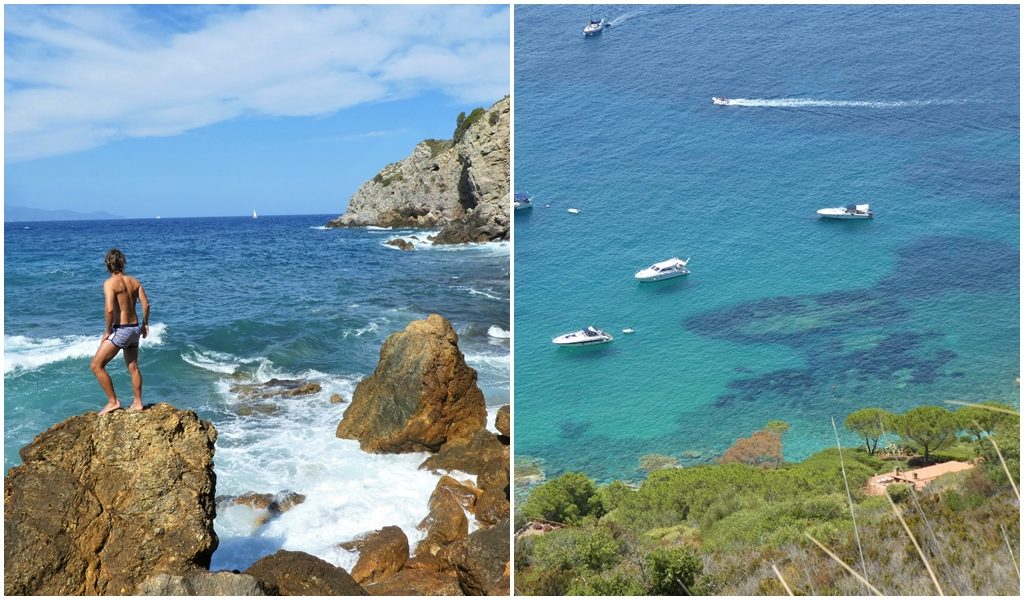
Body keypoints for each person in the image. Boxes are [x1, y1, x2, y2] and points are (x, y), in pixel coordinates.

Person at [90, 248, 150, 415]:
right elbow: (146, 304)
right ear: (123, 263)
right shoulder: (135, 282)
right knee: (133, 367)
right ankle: (138, 402)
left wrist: (107, 331)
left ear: (108, 265)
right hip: (134, 329)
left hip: (121, 330)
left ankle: (113, 401)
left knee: (96, 365)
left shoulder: (109, 283)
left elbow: (110, 309)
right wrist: (145, 324)